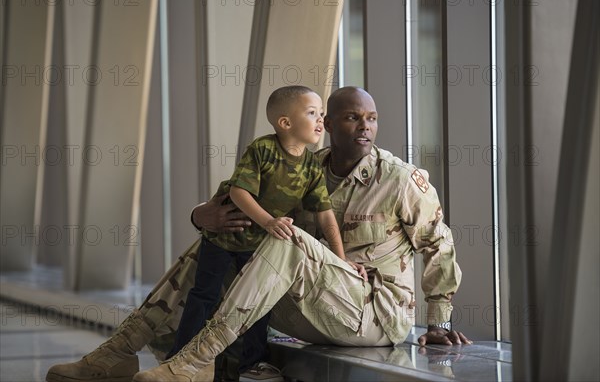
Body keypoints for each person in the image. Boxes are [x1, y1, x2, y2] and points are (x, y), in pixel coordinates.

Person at [45, 87, 470, 382]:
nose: (365, 126)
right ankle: (119, 352)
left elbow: (439, 244)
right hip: (314, 303)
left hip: (373, 315)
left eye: (372, 118)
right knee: (225, 234)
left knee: (284, 236)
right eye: (351, 117)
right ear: (327, 123)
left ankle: (195, 359)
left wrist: (439, 322)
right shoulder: (304, 165)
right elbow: (235, 199)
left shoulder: (398, 179)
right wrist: (201, 216)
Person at [167, 85, 359, 377]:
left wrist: (341, 257)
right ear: (285, 123)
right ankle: (180, 357)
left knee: (258, 303)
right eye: (312, 113)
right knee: (204, 297)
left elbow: (325, 215)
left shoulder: (310, 166)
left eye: (321, 114)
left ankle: (252, 362)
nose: (321, 120)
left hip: (257, 247)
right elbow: (239, 193)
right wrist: (269, 221)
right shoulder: (263, 150)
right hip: (223, 237)